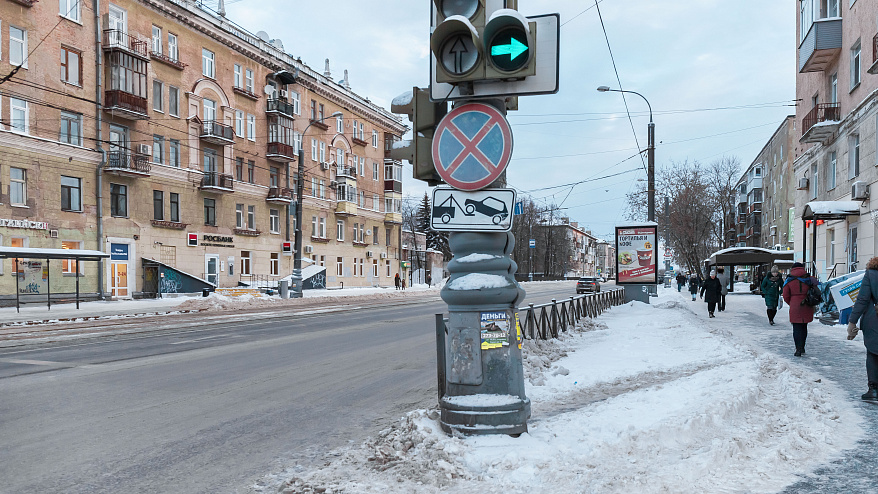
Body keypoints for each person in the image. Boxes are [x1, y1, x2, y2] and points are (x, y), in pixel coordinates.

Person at [846, 257, 878, 401]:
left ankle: (874, 390)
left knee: (873, 353)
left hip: (874, 320)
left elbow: (863, 299)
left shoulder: (871, 273)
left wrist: (852, 321)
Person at [782, 262, 819, 357]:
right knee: (804, 326)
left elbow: (785, 295)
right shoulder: (809, 278)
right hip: (807, 304)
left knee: (796, 328)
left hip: (795, 305)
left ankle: (797, 348)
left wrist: (792, 303)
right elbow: (817, 288)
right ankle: (802, 347)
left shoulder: (789, 280)